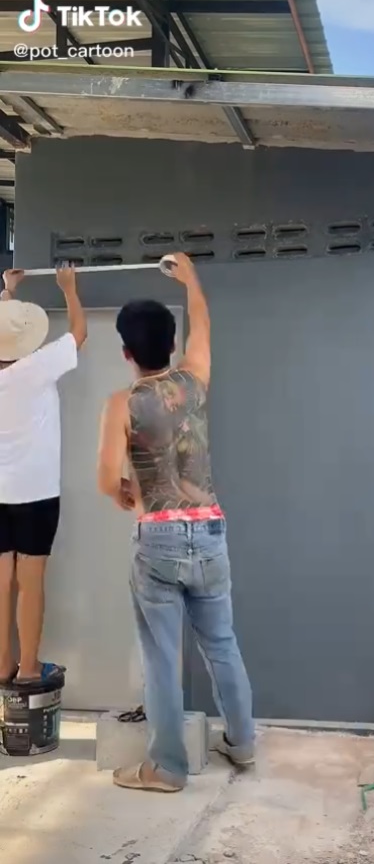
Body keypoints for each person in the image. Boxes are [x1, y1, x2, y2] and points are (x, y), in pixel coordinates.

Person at [97, 252, 254, 793]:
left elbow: (105, 479)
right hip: (210, 530)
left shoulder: (122, 403)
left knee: (162, 659)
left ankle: (166, 769)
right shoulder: (195, 380)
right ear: (171, 344)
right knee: (222, 644)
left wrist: (126, 493)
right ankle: (243, 743)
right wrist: (190, 280)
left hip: (157, 538)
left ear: (126, 352)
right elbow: (203, 325)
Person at [0, 265, 87, 685]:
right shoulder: (37, 366)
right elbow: (79, 333)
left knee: (2, 581)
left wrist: (7, 293)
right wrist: (68, 289)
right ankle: (29, 667)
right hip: (36, 493)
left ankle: (2, 664)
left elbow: (5, 333)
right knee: (31, 582)